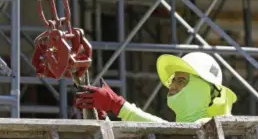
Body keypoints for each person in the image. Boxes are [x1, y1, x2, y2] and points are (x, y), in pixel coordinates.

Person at [74, 52, 237, 123]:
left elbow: (164, 130)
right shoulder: (188, 129)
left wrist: (118, 105)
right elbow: (167, 131)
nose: (172, 85)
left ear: (201, 91)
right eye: (174, 80)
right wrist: (106, 121)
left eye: (181, 81)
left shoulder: (209, 124)